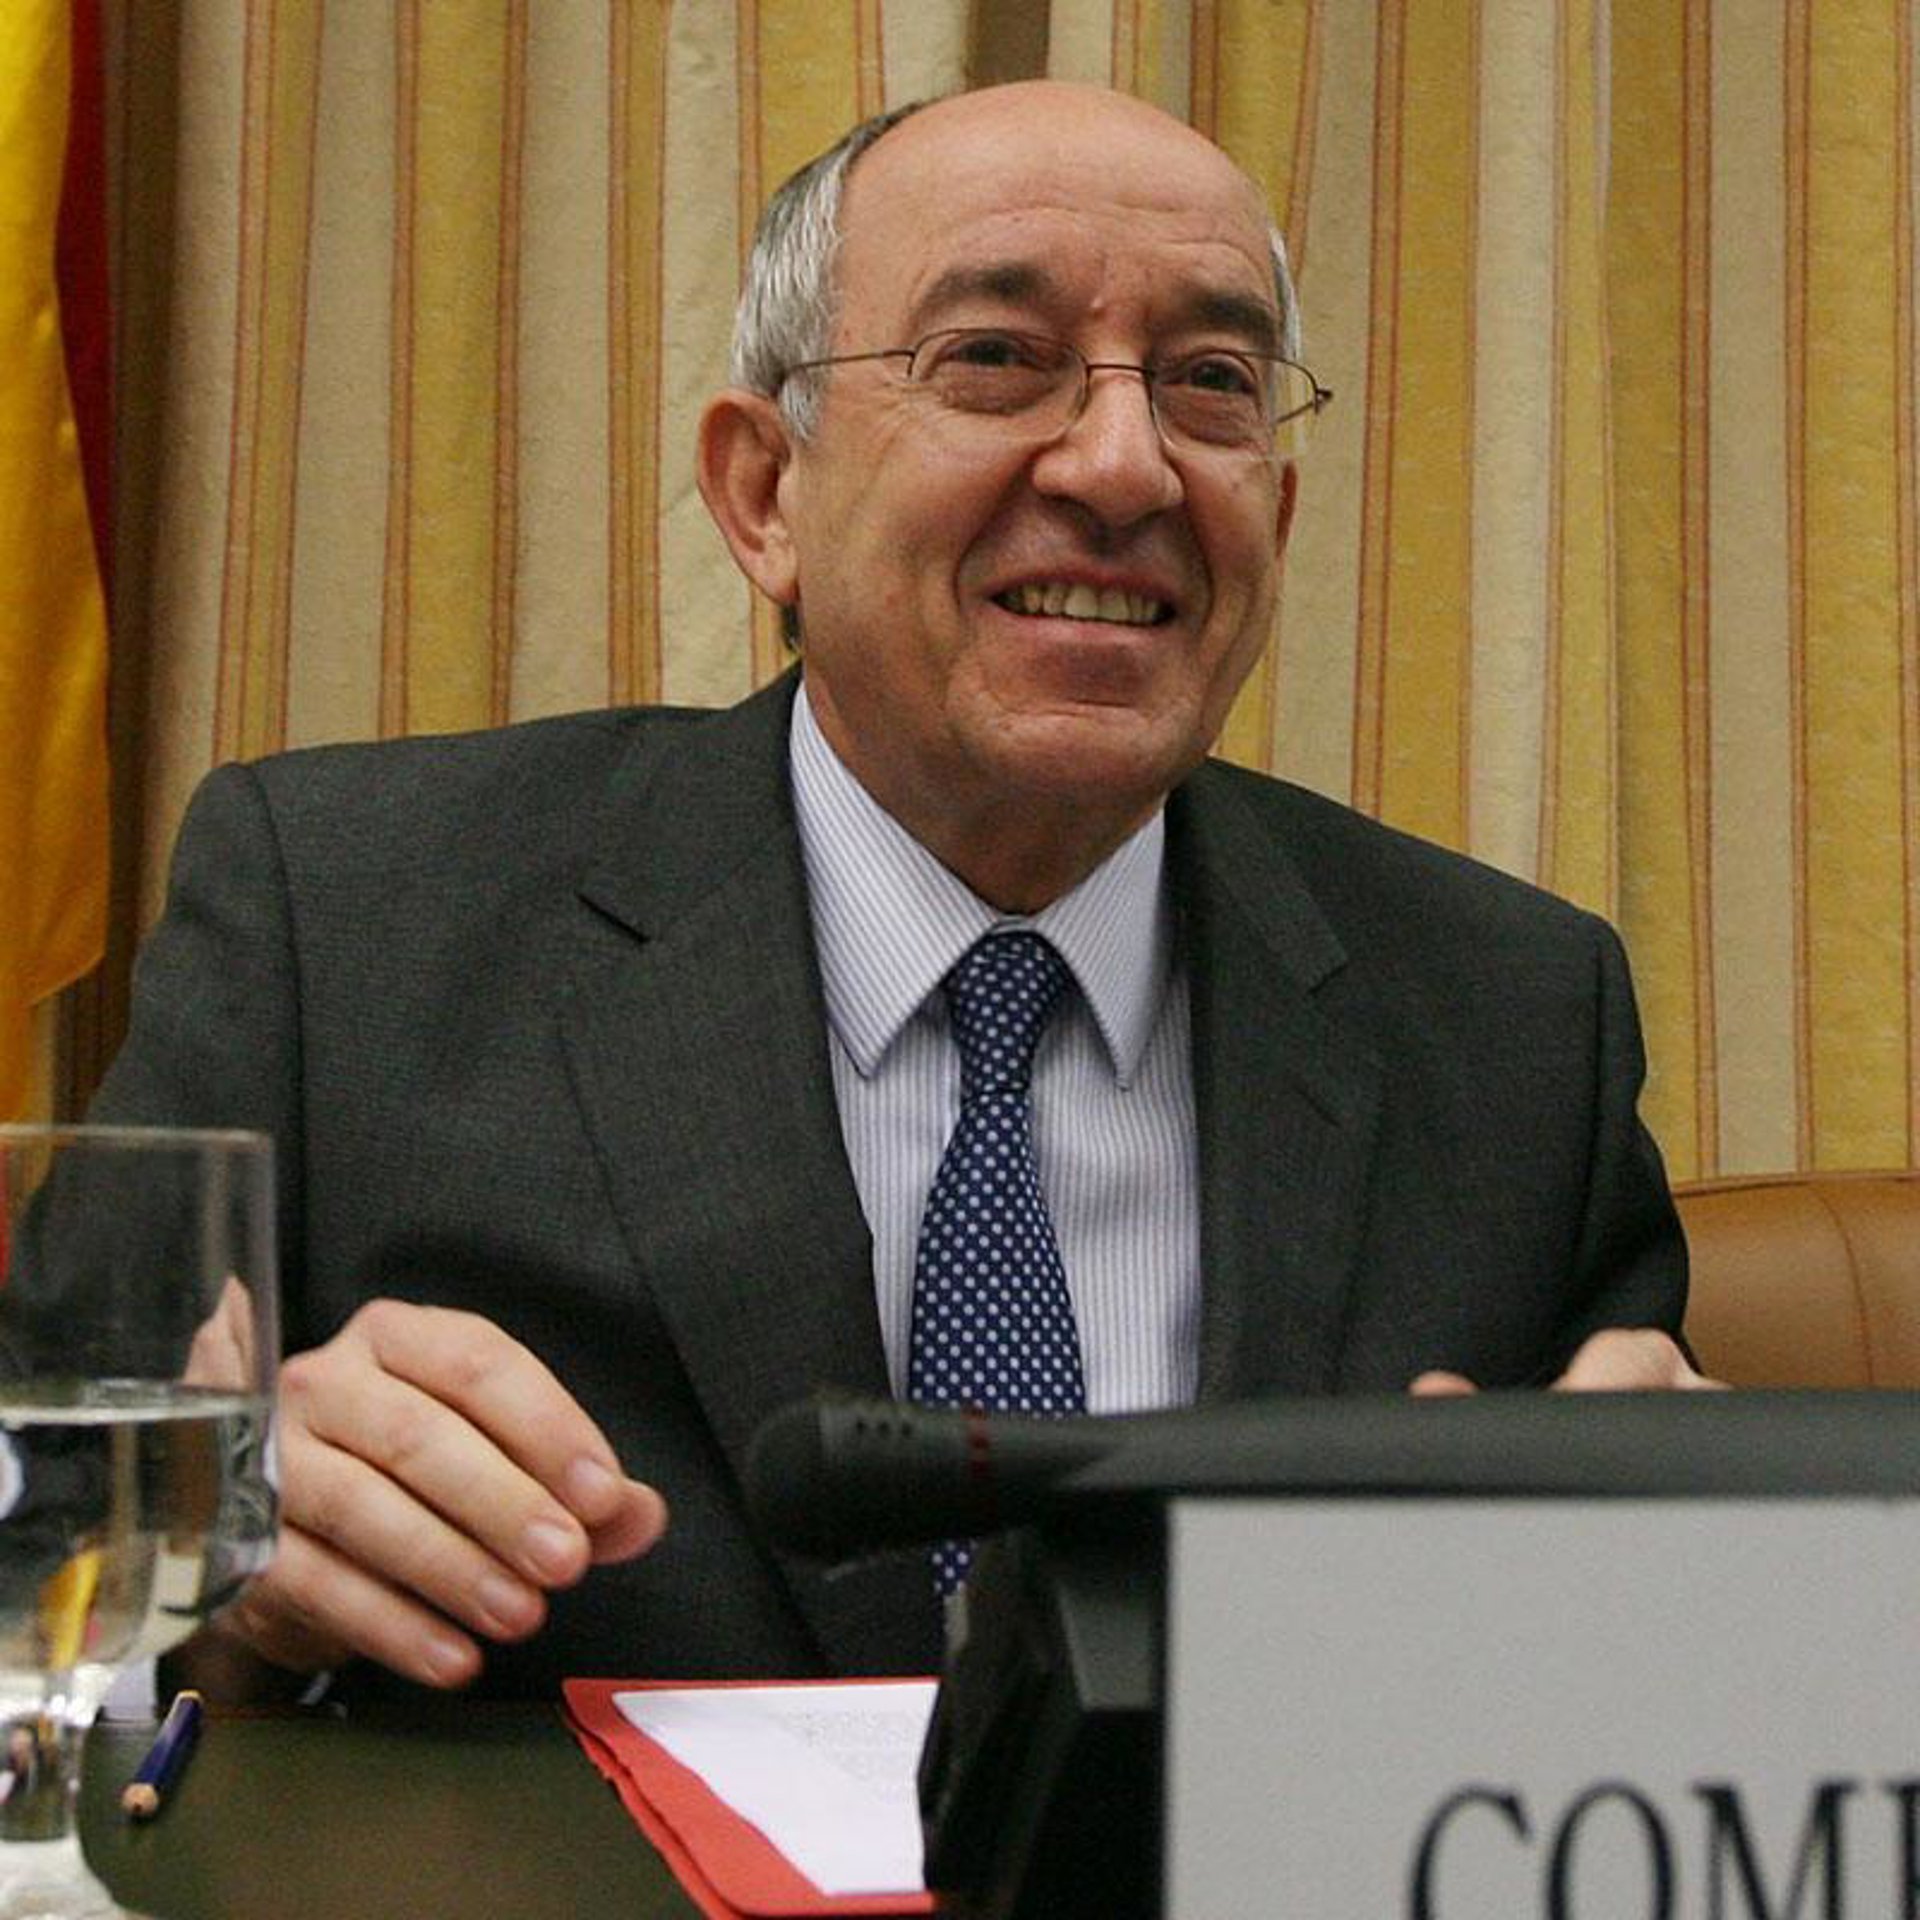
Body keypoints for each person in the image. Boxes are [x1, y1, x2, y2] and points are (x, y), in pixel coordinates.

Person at [91, 81, 1708, 1703]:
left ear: (1273, 519)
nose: (1125, 467)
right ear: (764, 494)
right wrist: (210, 1546)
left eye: (1213, 384)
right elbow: (52, 1544)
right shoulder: (347, 926)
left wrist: (1719, 1575)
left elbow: (1649, 1699)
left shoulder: (1512, 1023)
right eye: (995, 357)